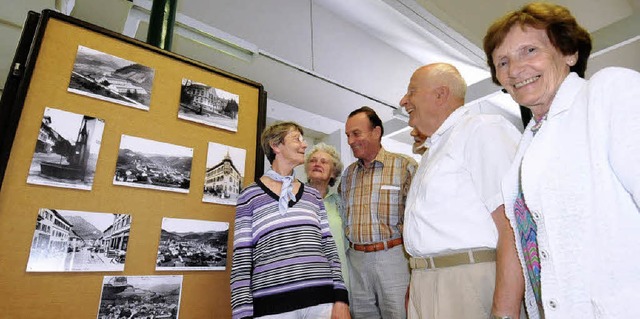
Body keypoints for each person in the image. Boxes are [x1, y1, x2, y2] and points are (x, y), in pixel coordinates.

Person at [485, 2, 640, 319]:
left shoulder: (608, 91)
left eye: (529, 50)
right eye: (503, 61)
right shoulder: (529, 143)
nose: (515, 69)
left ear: (569, 53)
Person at [399, 63, 521, 319]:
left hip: (467, 282)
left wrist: (505, 312)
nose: (403, 100)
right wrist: (420, 278)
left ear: (440, 94)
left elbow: (514, 225)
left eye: (411, 91)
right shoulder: (435, 149)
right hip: (427, 282)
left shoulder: (482, 129)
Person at [230, 121, 350, 319]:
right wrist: (242, 314)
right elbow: (241, 261)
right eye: (297, 139)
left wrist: (340, 299)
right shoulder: (249, 196)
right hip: (271, 306)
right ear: (275, 146)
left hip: (322, 302)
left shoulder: (312, 195)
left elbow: (330, 250)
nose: (304, 145)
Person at [340, 106, 417, 319]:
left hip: (393, 259)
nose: (350, 141)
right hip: (356, 262)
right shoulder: (347, 175)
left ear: (376, 132)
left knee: (399, 314)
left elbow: (417, 222)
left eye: (356, 133)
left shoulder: (404, 166)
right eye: (348, 135)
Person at [304, 142, 349, 290]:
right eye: (313, 160)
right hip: (304, 278)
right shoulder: (293, 199)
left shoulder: (339, 203)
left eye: (324, 162)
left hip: (336, 279)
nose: (317, 164)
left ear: (333, 173)